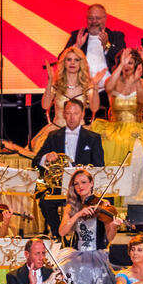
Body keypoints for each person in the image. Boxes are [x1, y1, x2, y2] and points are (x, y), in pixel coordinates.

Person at [32, 98, 105, 236]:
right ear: (63, 114)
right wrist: (46, 157)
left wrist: (86, 172)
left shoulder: (93, 138)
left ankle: (89, 237)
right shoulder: (53, 136)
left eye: (75, 113)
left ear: (82, 114)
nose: (72, 117)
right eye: (68, 113)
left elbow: (99, 166)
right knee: (45, 202)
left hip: (84, 190)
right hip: (60, 188)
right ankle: (59, 235)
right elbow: (35, 161)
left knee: (101, 200)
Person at [92, 48, 143, 203]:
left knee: (139, 148)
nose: (126, 65)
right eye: (123, 62)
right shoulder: (112, 81)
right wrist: (121, 65)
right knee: (105, 145)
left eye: (130, 62)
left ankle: (134, 200)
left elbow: (142, 99)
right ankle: (108, 198)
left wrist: (136, 79)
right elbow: (108, 88)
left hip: (136, 126)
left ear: (137, 65)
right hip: (114, 127)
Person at [58, 168, 122, 284]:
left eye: (84, 182)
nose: (80, 186)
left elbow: (109, 237)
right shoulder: (71, 206)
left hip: (97, 254)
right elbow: (62, 231)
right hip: (77, 255)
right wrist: (78, 214)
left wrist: (114, 226)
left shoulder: (103, 205)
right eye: (76, 184)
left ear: (91, 183)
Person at [33, 47, 101, 153]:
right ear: (64, 63)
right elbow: (45, 106)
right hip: (57, 130)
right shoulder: (56, 85)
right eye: (69, 59)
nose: (72, 63)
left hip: (80, 131)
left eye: (76, 60)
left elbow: (94, 108)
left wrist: (95, 88)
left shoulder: (87, 86)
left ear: (81, 63)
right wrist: (50, 81)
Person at [62, 3, 126, 89]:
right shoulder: (77, 36)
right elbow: (61, 60)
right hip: (82, 89)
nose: (94, 21)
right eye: (91, 18)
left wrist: (107, 46)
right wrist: (76, 47)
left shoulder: (116, 36)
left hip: (109, 89)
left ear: (105, 19)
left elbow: (123, 59)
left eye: (98, 18)